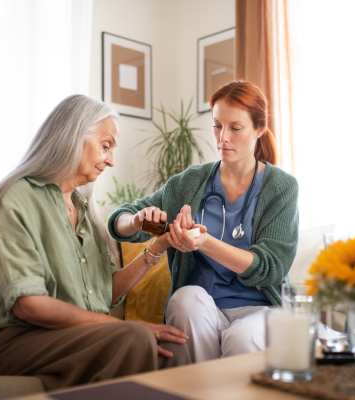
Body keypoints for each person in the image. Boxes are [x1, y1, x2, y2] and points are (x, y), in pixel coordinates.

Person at [0, 94, 190, 390]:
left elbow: (104, 294)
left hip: (64, 336)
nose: (111, 160)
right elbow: (29, 306)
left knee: (176, 349)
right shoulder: (16, 198)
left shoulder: (81, 208)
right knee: (134, 338)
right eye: (105, 146)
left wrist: (157, 247)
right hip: (6, 341)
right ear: (72, 137)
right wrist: (125, 326)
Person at [108, 80, 299, 363]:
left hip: (260, 310)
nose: (223, 137)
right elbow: (118, 220)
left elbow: (271, 268)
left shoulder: (281, 187)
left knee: (242, 337)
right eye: (217, 125)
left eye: (235, 128)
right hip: (204, 308)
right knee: (184, 301)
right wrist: (137, 220)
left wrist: (205, 242)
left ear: (259, 129)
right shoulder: (190, 182)